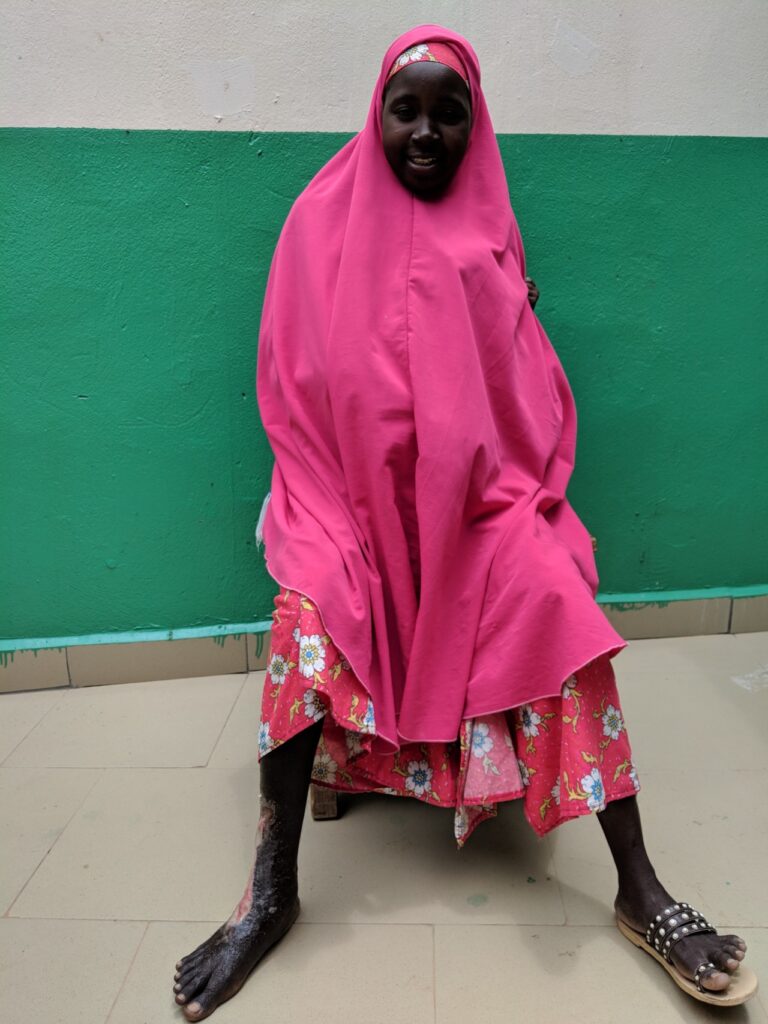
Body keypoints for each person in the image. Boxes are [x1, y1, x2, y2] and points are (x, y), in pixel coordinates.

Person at [172, 26, 755, 1020]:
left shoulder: (491, 231)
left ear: (475, 127)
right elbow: (288, 381)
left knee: (557, 601)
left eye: (451, 114)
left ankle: (640, 888)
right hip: (345, 504)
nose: (426, 133)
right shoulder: (317, 221)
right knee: (307, 613)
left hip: (480, 506)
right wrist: (330, 506)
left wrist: (511, 500)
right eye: (407, 110)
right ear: (377, 113)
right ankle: (269, 892)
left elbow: (524, 391)